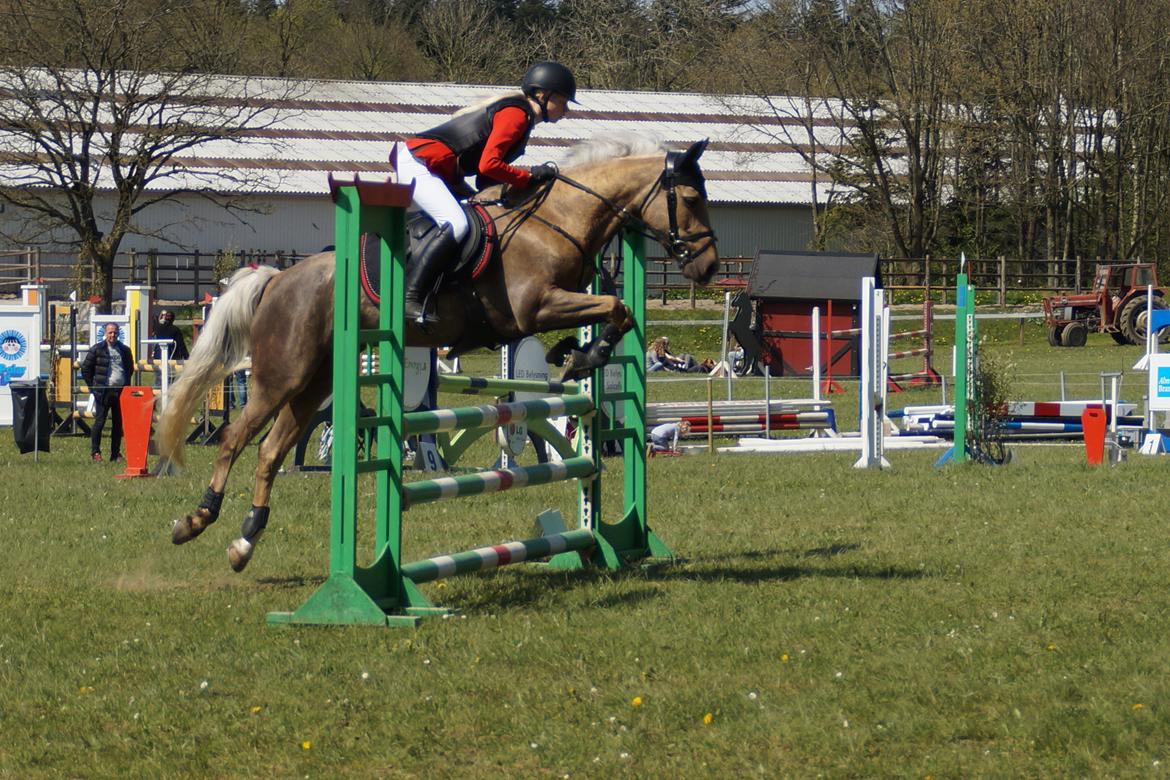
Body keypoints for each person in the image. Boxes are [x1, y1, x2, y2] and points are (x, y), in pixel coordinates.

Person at [395, 60, 578, 326]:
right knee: (456, 224)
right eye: (564, 100)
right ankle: (411, 296)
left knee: (484, 217)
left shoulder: (523, 119)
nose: (567, 110)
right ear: (543, 95)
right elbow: (488, 165)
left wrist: (520, 190)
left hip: (444, 171)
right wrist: (528, 177)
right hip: (421, 163)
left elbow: (485, 178)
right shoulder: (517, 114)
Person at [80, 322, 135, 463]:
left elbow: (129, 368)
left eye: (115, 332)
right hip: (103, 392)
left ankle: (115, 454)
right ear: (105, 333)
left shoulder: (125, 350)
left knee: (118, 423)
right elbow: (85, 369)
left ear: (118, 333)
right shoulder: (97, 349)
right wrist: (93, 388)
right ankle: (95, 453)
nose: (113, 335)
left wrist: (125, 383)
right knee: (100, 422)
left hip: (120, 391)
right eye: (110, 332)